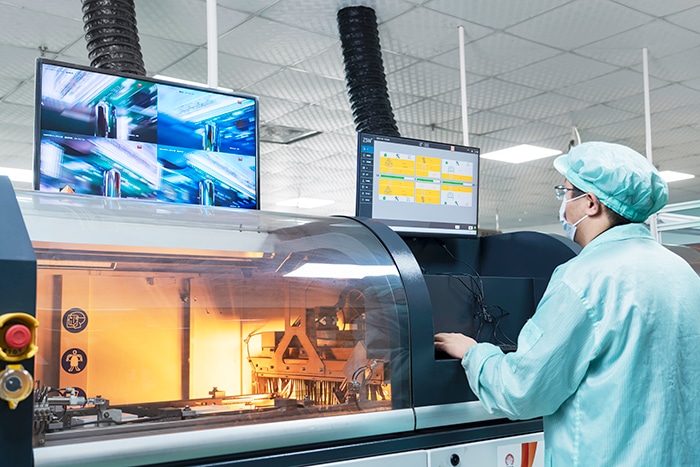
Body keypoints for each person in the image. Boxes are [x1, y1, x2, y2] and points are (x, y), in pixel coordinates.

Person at [434, 141, 700, 466]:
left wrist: (473, 353)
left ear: (590, 203)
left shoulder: (584, 277)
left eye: (566, 192)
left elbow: (523, 390)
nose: (563, 203)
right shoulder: (681, 272)